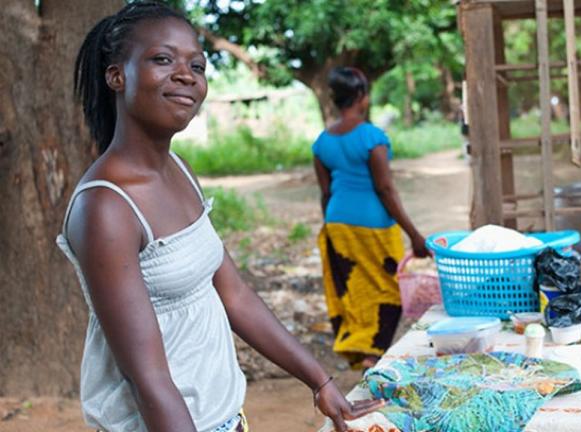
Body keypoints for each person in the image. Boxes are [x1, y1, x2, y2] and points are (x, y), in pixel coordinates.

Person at [57, 3, 382, 431]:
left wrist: (319, 381)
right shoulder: (106, 207)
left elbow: (234, 294)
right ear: (116, 75)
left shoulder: (181, 171)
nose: (186, 75)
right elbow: (148, 377)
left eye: (197, 64)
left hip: (223, 417)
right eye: (162, 59)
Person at [312, 67, 429, 371]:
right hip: (374, 224)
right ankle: (373, 354)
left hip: (337, 222)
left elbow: (325, 193)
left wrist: (331, 228)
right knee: (390, 289)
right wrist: (415, 235)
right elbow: (385, 189)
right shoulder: (372, 138)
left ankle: (361, 350)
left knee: (355, 289)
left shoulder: (322, 142)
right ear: (362, 97)